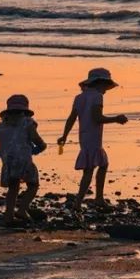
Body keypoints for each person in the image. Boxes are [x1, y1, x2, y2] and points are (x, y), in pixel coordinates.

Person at [58, 68, 128, 210]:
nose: (106, 90)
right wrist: (116, 119)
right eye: (106, 86)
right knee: (90, 170)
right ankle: (81, 202)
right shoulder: (97, 97)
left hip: (84, 136)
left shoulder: (79, 97)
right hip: (93, 138)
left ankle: (97, 198)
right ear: (100, 83)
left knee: (102, 164)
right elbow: (97, 118)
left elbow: (71, 118)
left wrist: (64, 135)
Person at [0, 94, 47, 226]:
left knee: (13, 189)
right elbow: (36, 139)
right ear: (24, 111)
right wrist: (42, 146)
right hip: (24, 161)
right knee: (33, 184)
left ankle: (9, 216)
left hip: (8, 162)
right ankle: (22, 209)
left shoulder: (1, 126)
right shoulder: (27, 123)